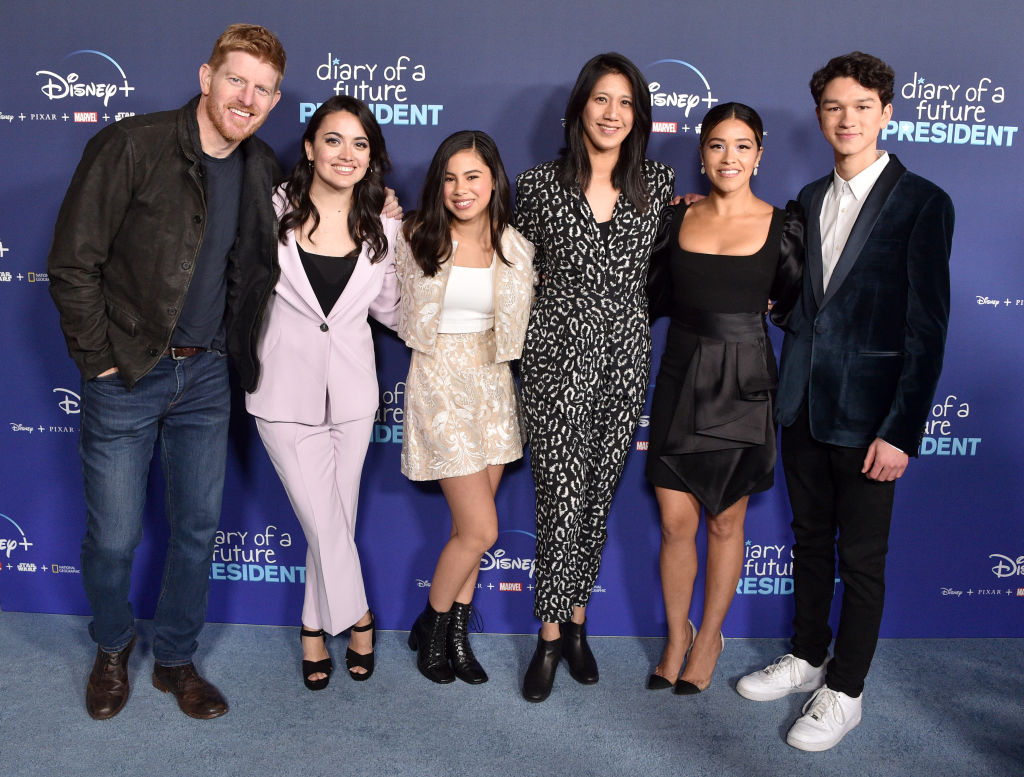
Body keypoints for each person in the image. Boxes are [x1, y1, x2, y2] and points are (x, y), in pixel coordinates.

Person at [47, 24, 287, 720]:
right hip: (128, 373)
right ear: (207, 76)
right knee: (116, 536)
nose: (248, 98)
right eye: (237, 80)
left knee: (195, 528)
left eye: (264, 89)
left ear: (273, 101)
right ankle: (114, 644)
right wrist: (100, 362)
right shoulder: (132, 144)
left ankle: (176, 657)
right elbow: (73, 262)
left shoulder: (260, 165)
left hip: (207, 377)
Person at [736, 52, 953, 751]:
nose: (847, 119)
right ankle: (806, 656)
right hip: (801, 404)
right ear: (820, 115)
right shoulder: (803, 199)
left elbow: (926, 328)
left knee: (861, 559)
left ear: (887, 112)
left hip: (871, 422)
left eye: (862, 106)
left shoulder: (923, 203)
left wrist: (901, 431)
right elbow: (804, 304)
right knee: (808, 542)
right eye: (834, 107)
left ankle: (847, 689)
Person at [513, 52, 675, 702]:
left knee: (598, 496)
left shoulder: (657, 185)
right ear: (581, 105)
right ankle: (550, 636)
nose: (612, 113)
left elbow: (672, 270)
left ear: (638, 115)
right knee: (559, 497)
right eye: (601, 99)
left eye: (625, 103)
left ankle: (580, 622)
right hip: (555, 358)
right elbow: (509, 270)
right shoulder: (536, 186)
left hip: (627, 357)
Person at [645, 103, 803, 695]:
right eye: (717, 145)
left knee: (725, 520)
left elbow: (791, 305)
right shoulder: (673, 219)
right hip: (680, 375)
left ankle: (710, 635)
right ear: (702, 154)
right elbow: (649, 293)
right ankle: (675, 635)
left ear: (759, 155)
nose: (729, 157)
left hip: (745, 383)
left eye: (742, 146)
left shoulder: (785, 226)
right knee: (674, 521)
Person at [245, 96, 401, 690]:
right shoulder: (270, 208)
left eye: (360, 144)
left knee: (333, 520)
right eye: (334, 140)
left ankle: (313, 626)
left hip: (354, 397)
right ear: (309, 148)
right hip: (283, 392)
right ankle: (359, 615)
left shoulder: (382, 226)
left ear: (371, 158)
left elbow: (389, 311)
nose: (347, 154)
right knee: (326, 522)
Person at [396, 131, 534, 685]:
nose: (460, 189)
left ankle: (455, 634)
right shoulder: (414, 235)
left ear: (494, 179)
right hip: (438, 381)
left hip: (495, 385)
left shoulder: (517, 247)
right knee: (480, 530)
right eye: (450, 178)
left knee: (465, 527)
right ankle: (430, 626)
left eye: (472, 176)